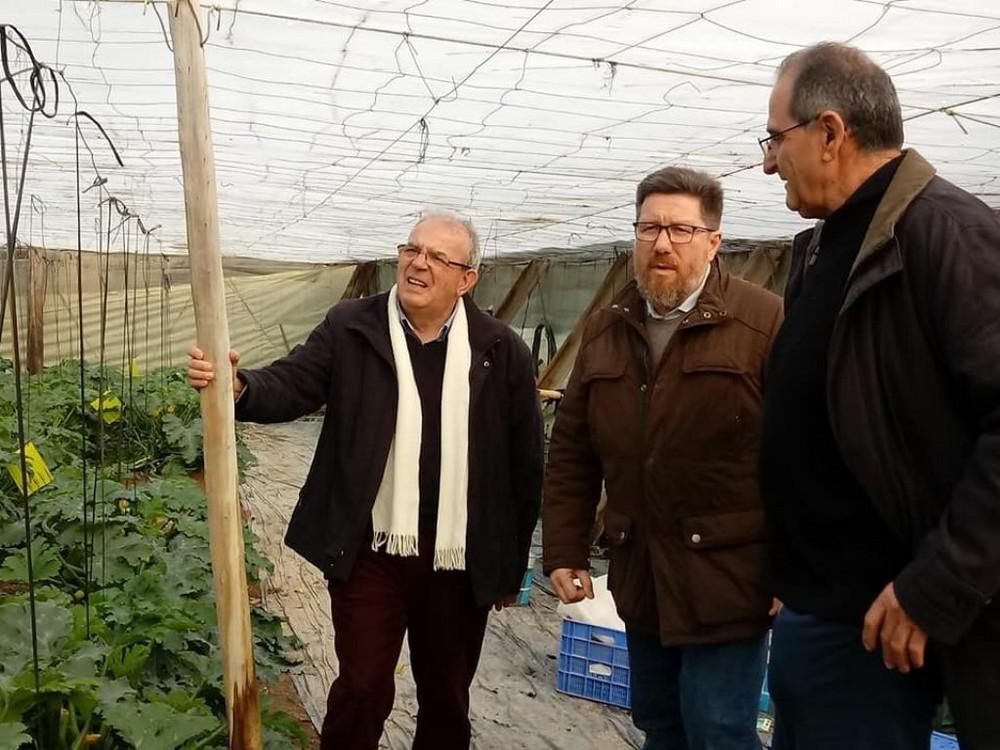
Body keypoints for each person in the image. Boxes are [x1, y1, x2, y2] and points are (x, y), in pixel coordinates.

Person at [187, 210, 544, 750]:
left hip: (457, 559)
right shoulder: (352, 326)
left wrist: (508, 567)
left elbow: (524, 464)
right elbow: (295, 381)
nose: (418, 264)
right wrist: (239, 387)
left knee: (447, 697)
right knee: (363, 686)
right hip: (370, 548)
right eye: (411, 250)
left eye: (437, 258)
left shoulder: (500, 350)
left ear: (466, 279)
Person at [759, 41, 1000, 749]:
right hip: (822, 607)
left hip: (890, 622)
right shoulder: (828, 243)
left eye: (776, 139)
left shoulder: (947, 235)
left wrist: (935, 586)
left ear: (831, 133)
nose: (768, 160)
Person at [543, 166, 783, 750]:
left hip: (729, 574)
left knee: (719, 727)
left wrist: (791, 564)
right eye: (649, 228)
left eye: (680, 229)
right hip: (642, 567)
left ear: (713, 241)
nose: (662, 244)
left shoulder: (762, 322)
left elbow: (802, 454)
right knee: (659, 722)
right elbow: (573, 450)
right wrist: (565, 550)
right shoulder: (608, 327)